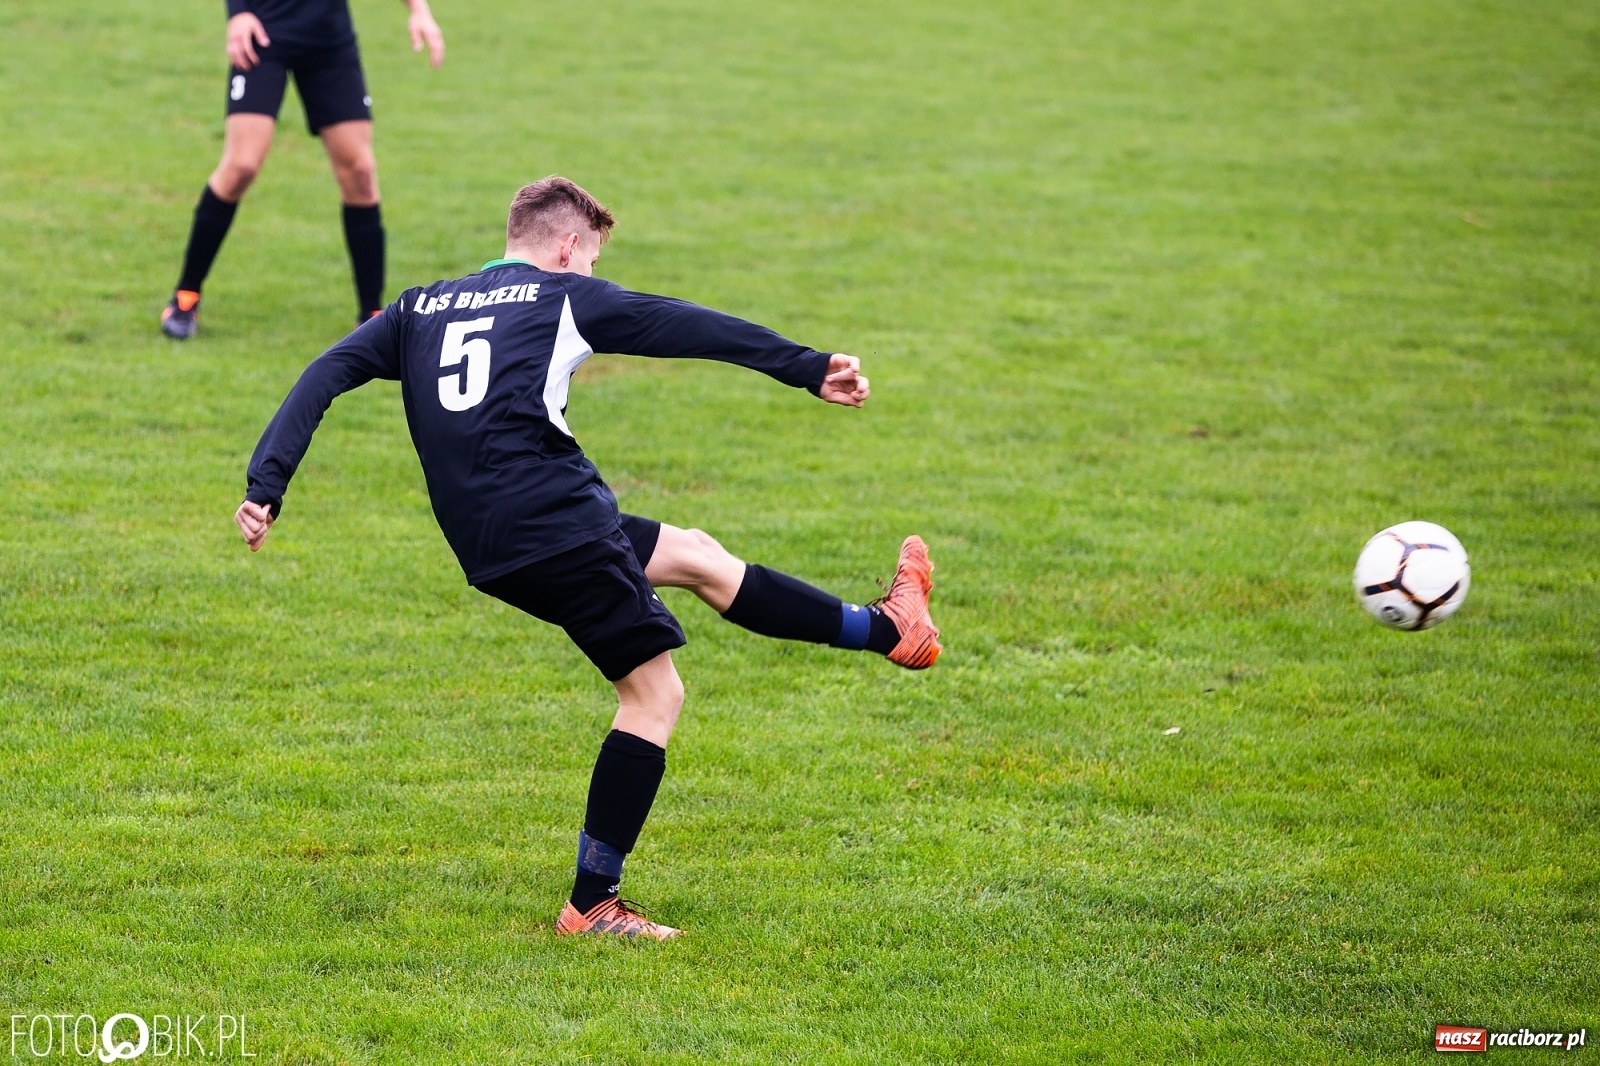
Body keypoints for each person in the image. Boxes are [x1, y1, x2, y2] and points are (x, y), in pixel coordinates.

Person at [234, 176, 941, 939]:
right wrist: (804, 366)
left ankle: (890, 628)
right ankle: (593, 904)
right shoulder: (561, 296)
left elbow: (325, 372)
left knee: (699, 557)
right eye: (593, 260)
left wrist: (266, 483)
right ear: (566, 248)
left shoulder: (417, 309)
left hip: (490, 537)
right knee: (653, 697)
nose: (595, 277)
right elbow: (683, 324)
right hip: (555, 526)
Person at [161, 0, 446, 339]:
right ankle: (185, 295)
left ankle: (372, 315)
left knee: (360, 172)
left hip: (328, 38)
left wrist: (419, 11)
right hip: (263, 31)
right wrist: (237, 13)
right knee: (241, 166)